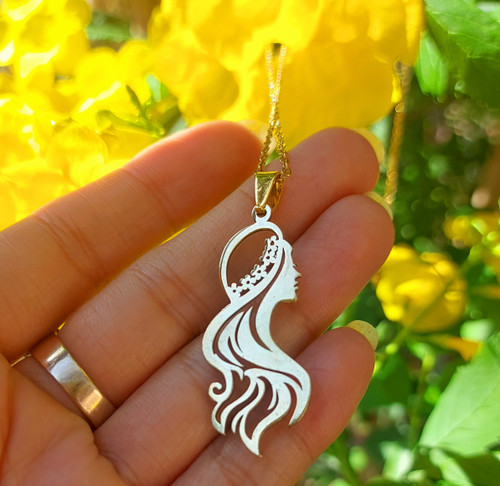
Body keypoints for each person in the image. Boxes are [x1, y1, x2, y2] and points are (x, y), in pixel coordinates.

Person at [0, 121, 393, 485]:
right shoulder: (265, 371)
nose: (297, 275)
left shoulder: (271, 370)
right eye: (287, 265)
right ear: (264, 281)